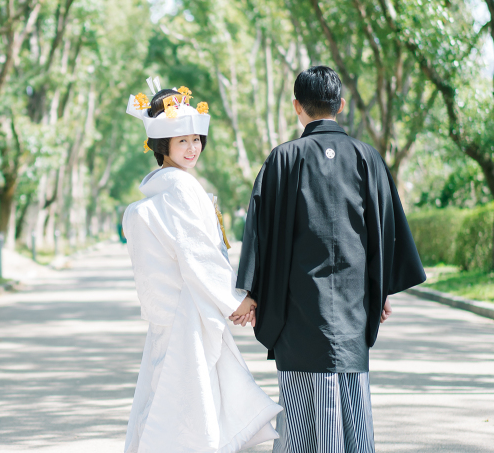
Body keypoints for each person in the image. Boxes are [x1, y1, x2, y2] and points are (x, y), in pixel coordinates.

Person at [235, 66, 426, 453]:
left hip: (296, 314)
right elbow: (384, 233)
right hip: (353, 316)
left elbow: (261, 233)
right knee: (352, 416)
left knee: (302, 421)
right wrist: (382, 290)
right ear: (340, 104)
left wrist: (251, 293)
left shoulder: (282, 160)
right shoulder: (367, 159)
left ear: (296, 107)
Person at [122, 77, 282, 453]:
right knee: (191, 404)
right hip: (187, 316)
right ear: (163, 145)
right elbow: (198, 254)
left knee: (172, 400)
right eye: (182, 141)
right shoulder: (179, 187)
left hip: (175, 315)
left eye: (196, 139)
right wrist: (236, 300)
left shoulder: (163, 185)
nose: (193, 147)